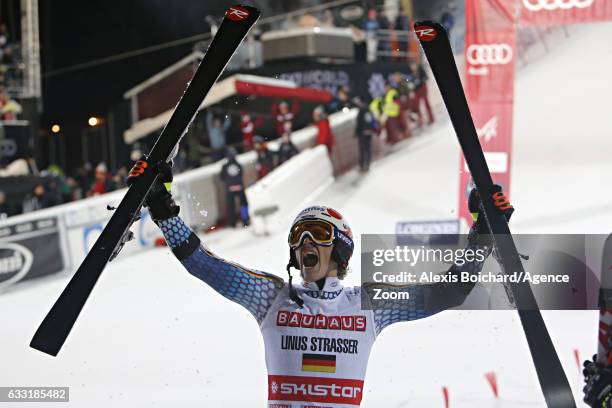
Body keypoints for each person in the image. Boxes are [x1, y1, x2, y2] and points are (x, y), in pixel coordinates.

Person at [127, 158, 514, 407]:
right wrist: (162, 207)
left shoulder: (368, 305)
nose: (304, 243)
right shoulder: (270, 297)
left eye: (315, 233)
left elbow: (451, 291)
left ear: (342, 251)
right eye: (297, 237)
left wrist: (483, 230)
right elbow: (202, 263)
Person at [219, 148, 250, 227]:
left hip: (230, 188)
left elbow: (221, 178)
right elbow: (241, 174)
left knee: (231, 206)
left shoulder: (225, 166)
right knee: (243, 204)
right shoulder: (238, 165)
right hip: (239, 187)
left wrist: (229, 182)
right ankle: (245, 220)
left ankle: (232, 222)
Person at [353, 97, 378, 172]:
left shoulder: (364, 110)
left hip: (364, 132)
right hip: (364, 132)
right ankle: (364, 164)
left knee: (364, 149)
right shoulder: (365, 109)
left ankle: (365, 164)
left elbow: (366, 121)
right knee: (365, 149)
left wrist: (366, 129)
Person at [411, 62, 434, 127]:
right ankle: (420, 121)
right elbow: (410, 81)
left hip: (422, 88)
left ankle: (431, 118)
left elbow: (426, 77)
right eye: (411, 66)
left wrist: (420, 81)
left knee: (426, 103)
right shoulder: (412, 73)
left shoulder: (420, 70)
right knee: (417, 106)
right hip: (416, 90)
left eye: (413, 65)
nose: (413, 67)